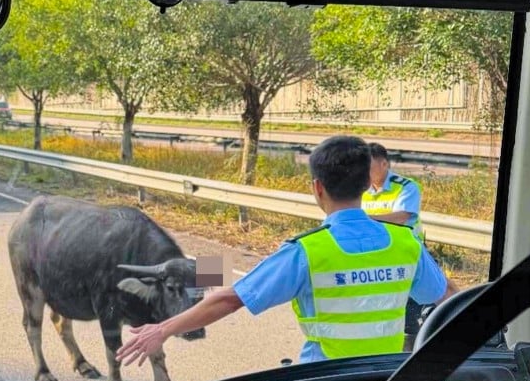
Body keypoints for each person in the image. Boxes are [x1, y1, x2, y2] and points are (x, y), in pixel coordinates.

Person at [115, 135, 458, 367]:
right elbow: (448, 297)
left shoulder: (307, 251)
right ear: (367, 184)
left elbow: (231, 299)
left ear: (317, 188)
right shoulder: (406, 244)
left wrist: (162, 329)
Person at [362, 143, 445, 349]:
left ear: (384, 164)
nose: (365, 171)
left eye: (369, 166)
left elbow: (401, 217)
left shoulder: (406, 187)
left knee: (413, 305)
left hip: (408, 253)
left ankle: (413, 347)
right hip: (376, 255)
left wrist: (365, 219)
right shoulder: (361, 190)